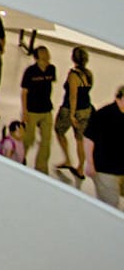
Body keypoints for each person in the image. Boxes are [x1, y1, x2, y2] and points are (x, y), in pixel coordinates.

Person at [55, 47, 94, 178]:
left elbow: (73, 96)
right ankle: (80, 168)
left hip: (70, 109)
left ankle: (67, 159)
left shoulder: (73, 75)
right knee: (79, 140)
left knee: (59, 131)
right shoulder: (89, 74)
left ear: (73, 59)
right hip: (85, 109)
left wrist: (71, 114)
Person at [84, 84, 124, 208]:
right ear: (119, 98)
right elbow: (88, 138)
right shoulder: (103, 115)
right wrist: (90, 163)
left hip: (121, 169)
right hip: (105, 169)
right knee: (110, 206)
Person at [20, 46, 57, 173]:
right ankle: (20, 157)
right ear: (37, 57)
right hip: (32, 110)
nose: (46, 56)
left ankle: (41, 166)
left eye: (47, 53)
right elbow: (24, 92)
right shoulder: (30, 72)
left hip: (46, 110)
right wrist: (24, 111)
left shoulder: (52, 69)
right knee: (28, 138)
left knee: (46, 140)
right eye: (43, 54)